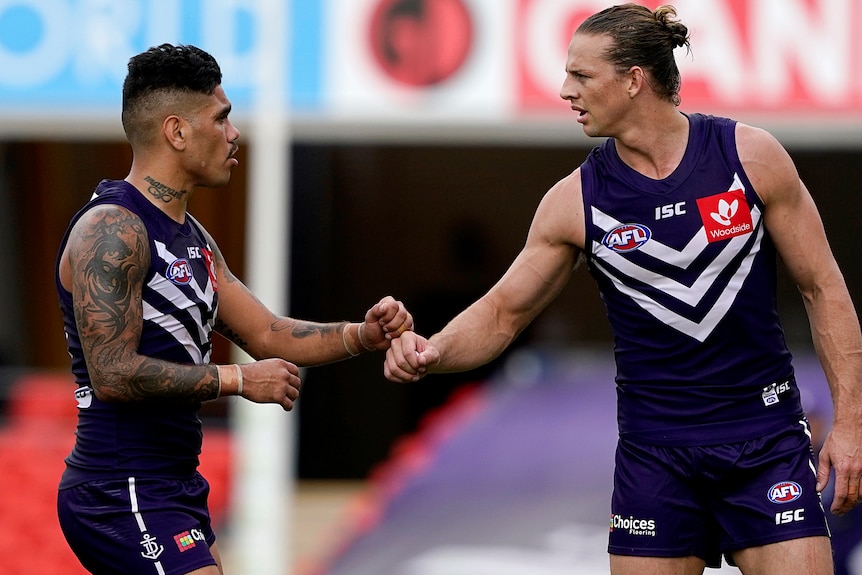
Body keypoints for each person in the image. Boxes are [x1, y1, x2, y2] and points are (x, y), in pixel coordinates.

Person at [384, 4, 862, 574]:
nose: (565, 90)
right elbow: (501, 314)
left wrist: (852, 426)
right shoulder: (573, 202)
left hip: (767, 443)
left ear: (634, 79)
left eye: (581, 75)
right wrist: (433, 350)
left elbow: (823, 289)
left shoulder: (751, 158)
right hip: (654, 457)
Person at [54, 43, 413, 575]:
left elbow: (268, 333)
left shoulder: (192, 238)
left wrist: (364, 334)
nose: (233, 133)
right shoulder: (113, 229)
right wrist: (239, 382)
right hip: (120, 484)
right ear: (177, 131)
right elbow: (112, 373)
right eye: (220, 119)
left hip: (172, 483)